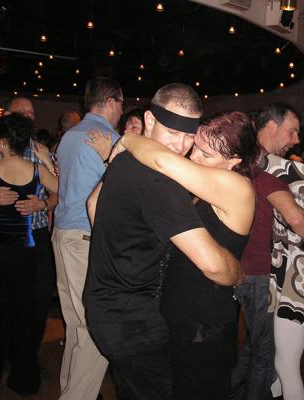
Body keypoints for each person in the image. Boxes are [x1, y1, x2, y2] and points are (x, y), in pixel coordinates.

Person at [83, 84, 245, 400]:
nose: (181, 146)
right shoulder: (161, 183)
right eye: (172, 132)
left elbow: (92, 204)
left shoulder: (125, 158)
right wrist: (239, 274)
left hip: (103, 307)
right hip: (134, 322)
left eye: (189, 136)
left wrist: (123, 244)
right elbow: (214, 266)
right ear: (150, 120)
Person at [0, 113, 57, 395]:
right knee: (23, 313)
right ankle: (24, 378)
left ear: (3, 142)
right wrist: (46, 167)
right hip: (23, 251)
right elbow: (62, 189)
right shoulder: (36, 169)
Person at [254, 104, 304, 400]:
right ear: (271, 127)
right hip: (292, 277)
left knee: (284, 366)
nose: (298, 139)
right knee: (276, 366)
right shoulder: (302, 173)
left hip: (293, 280)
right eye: (293, 131)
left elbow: (299, 220)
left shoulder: (277, 167)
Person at [52, 77, 122, 400]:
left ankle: (68, 390)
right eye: (121, 103)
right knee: (96, 331)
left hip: (63, 234)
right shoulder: (108, 139)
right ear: (111, 102)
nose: (121, 110)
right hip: (85, 238)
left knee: (76, 326)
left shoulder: (70, 135)